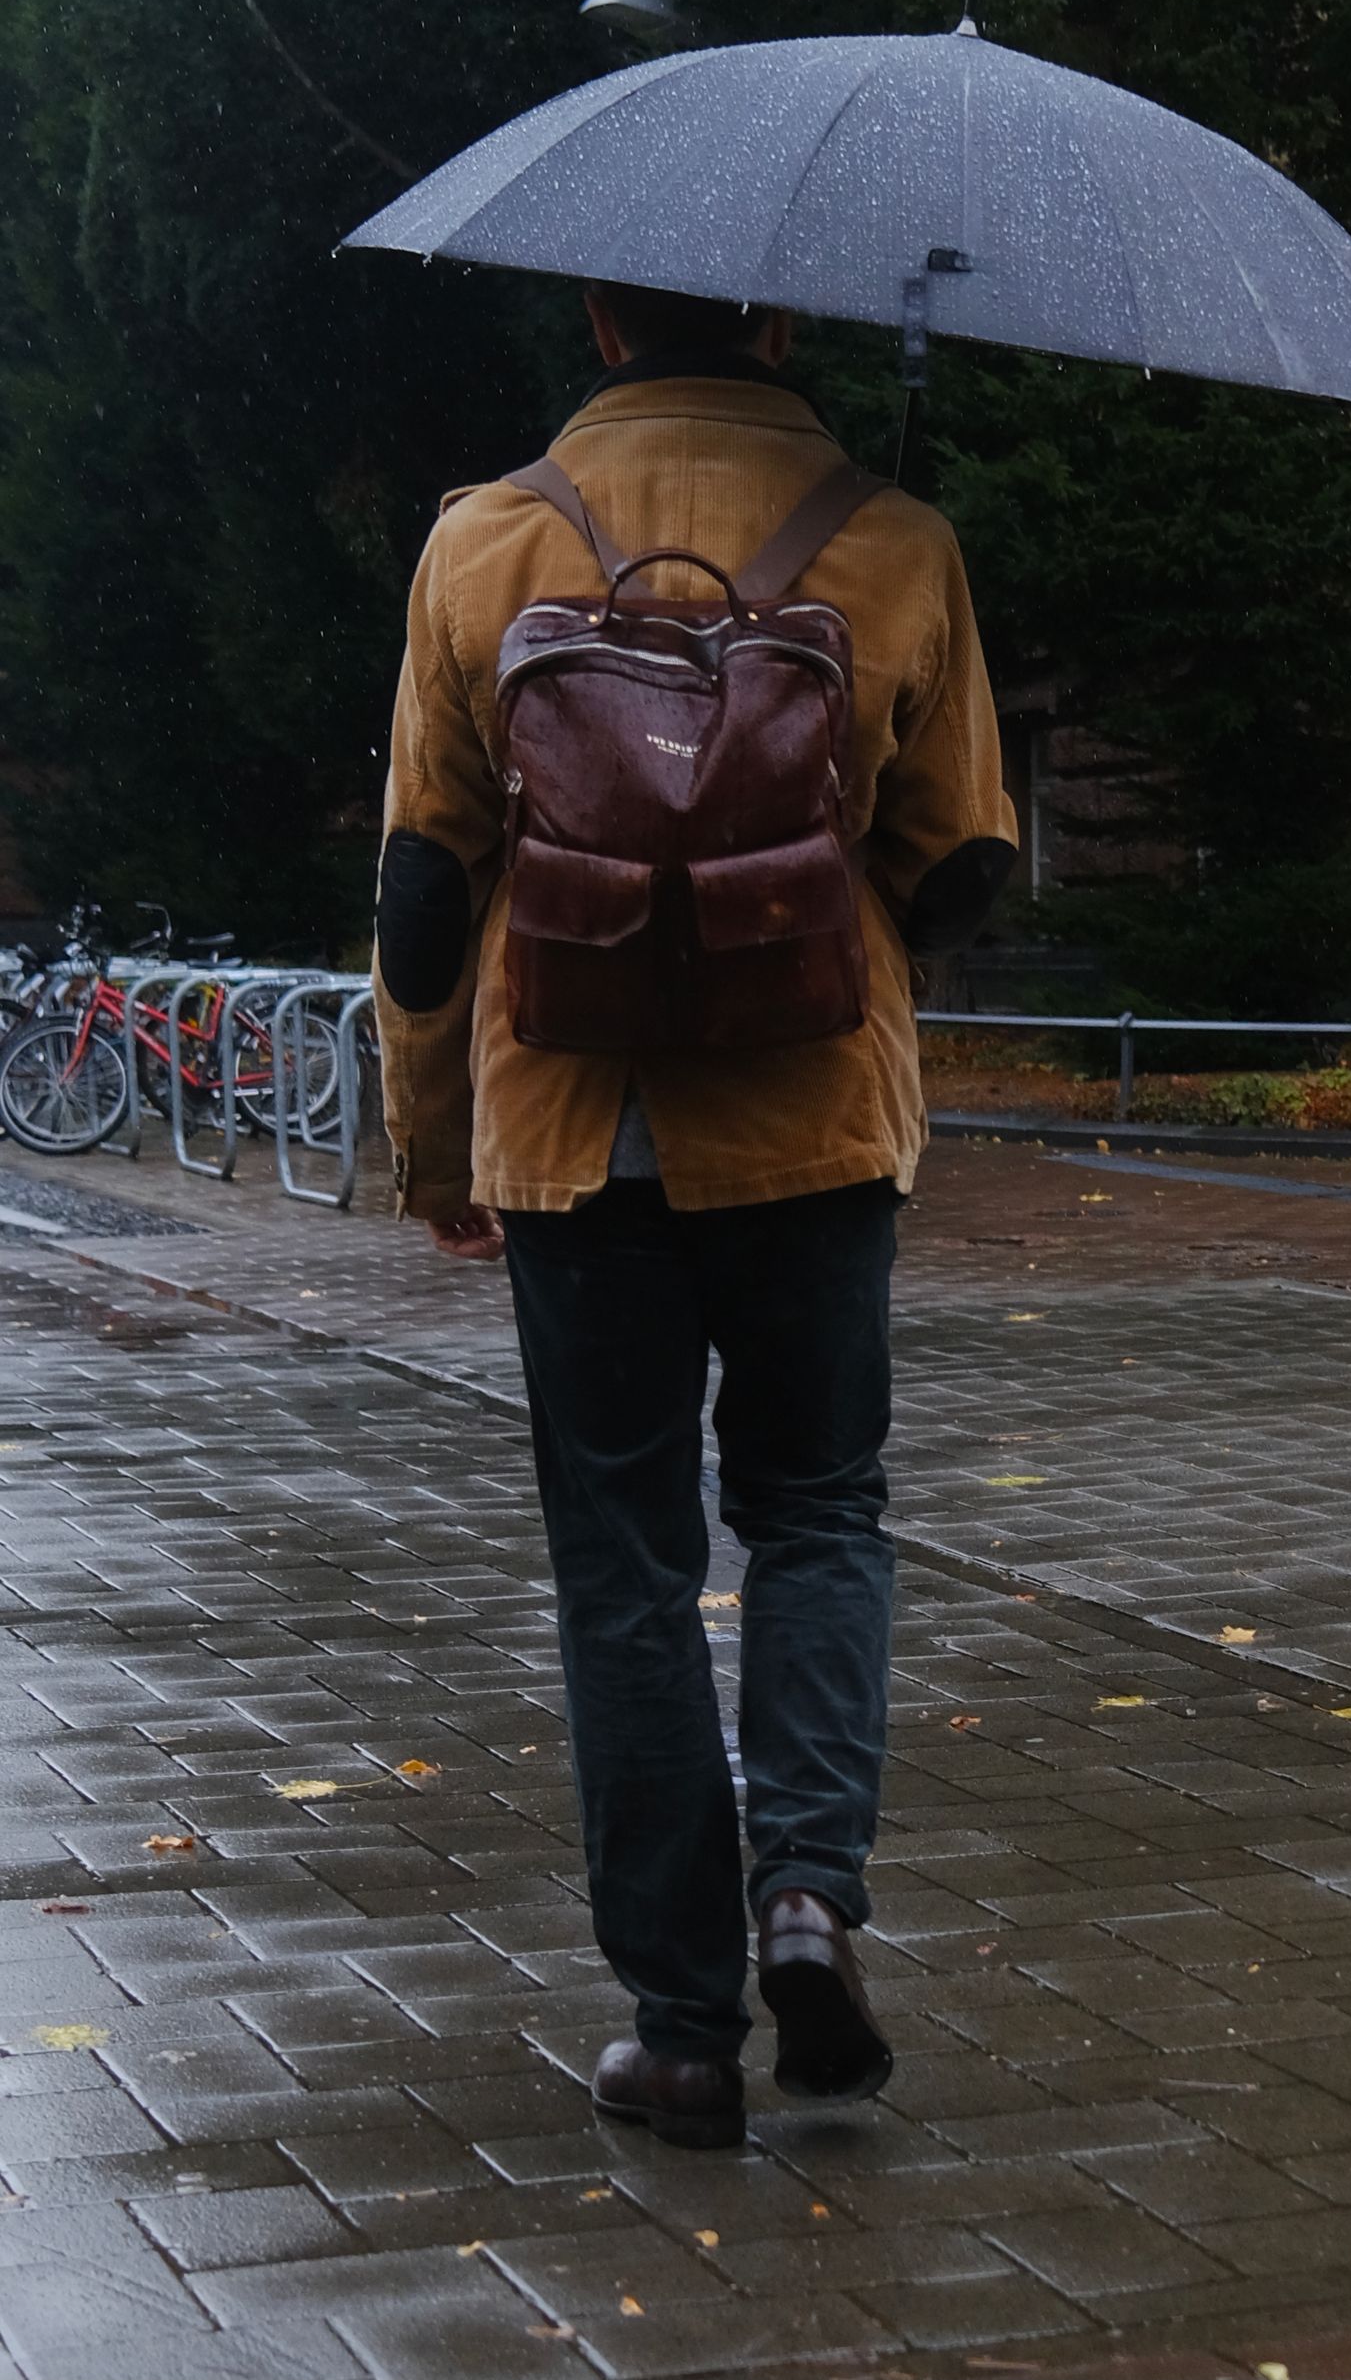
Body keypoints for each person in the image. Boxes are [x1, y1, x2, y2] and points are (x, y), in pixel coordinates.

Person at [372, 282, 1017, 2148]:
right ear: (784, 329)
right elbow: (964, 867)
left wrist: (437, 1156)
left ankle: (678, 2028)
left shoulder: (483, 544)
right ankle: (807, 1891)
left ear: (596, 321)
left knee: (627, 1569)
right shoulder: (897, 539)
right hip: (812, 1123)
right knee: (819, 1510)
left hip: (576, 1132)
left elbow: (423, 889)